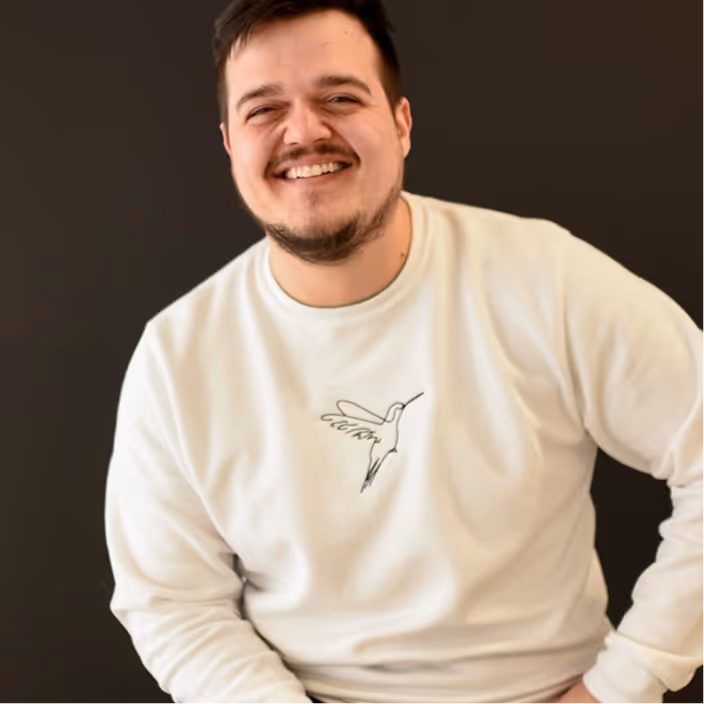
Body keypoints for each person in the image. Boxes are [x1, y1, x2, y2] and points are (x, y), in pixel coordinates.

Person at [103, 1, 704, 703]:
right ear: (231, 144)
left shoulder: (546, 280)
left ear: (402, 123)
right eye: (264, 109)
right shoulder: (177, 358)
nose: (304, 130)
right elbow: (172, 602)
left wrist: (623, 684)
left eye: (340, 97)